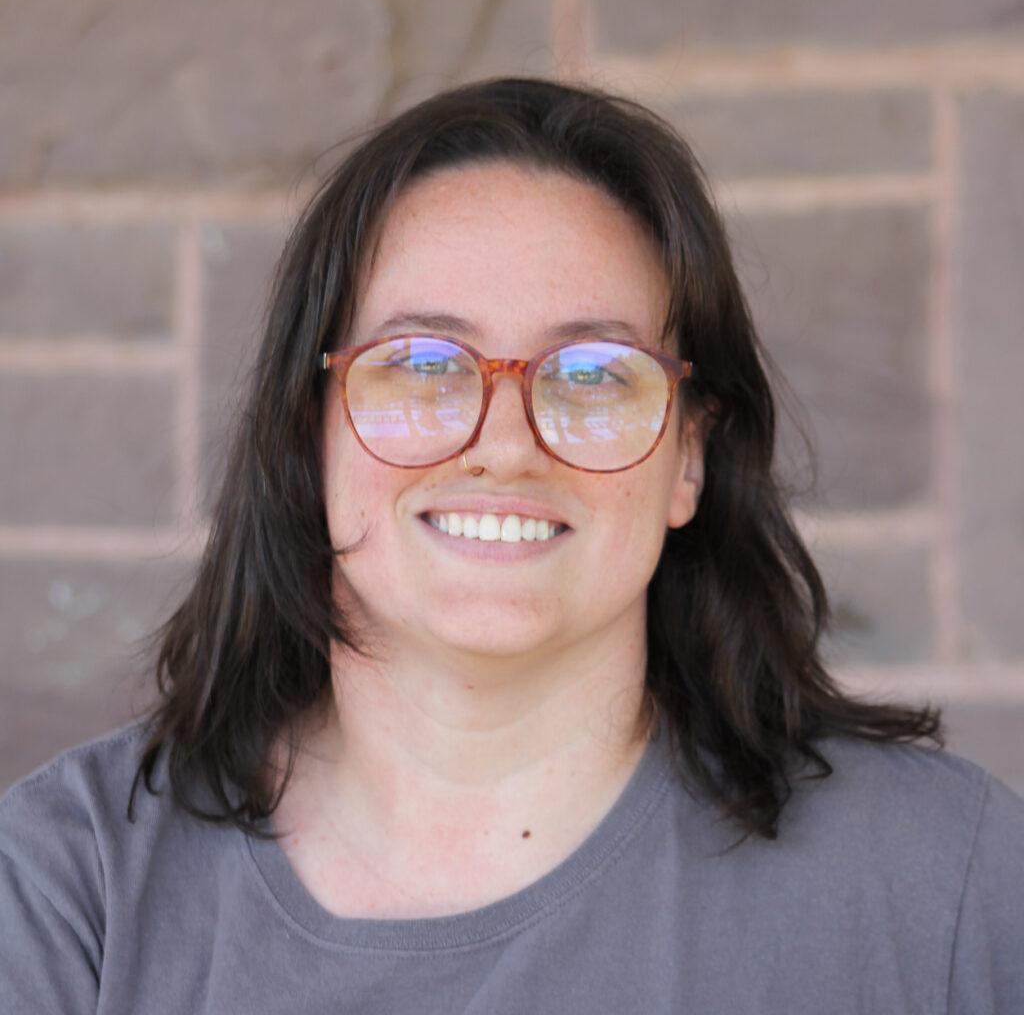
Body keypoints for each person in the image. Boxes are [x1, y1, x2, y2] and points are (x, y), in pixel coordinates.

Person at [1, 77, 1022, 1014]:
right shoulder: (70, 891)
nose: (503, 445)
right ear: (310, 431)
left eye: (592, 375)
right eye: (420, 363)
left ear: (688, 457)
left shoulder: (943, 888)